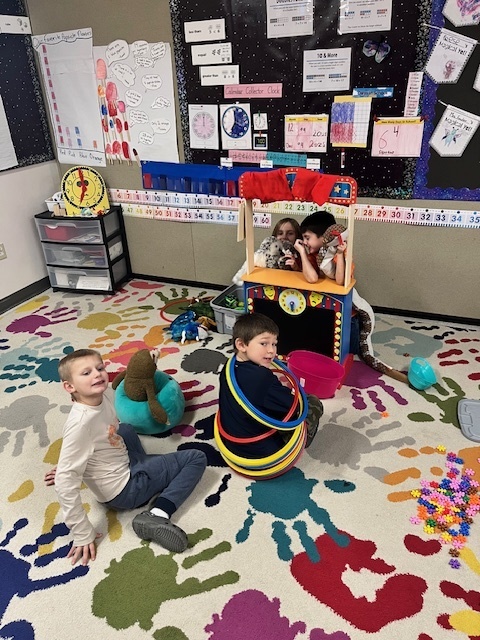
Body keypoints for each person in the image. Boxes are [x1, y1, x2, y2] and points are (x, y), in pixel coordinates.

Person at [44, 348, 207, 566]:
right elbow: (65, 482)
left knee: (126, 429)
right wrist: (82, 532)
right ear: (69, 386)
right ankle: (158, 513)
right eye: (86, 373)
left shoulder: (98, 398)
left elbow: (90, 442)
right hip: (126, 488)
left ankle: (88, 466)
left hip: (116, 462)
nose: (97, 374)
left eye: (100, 368)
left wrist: (74, 464)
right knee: (196, 458)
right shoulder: (80, 424)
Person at [218, 313, 323, 459]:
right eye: (264, 343)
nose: (271, 350)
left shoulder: (228, 367)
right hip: (264, 452)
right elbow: (293, 409)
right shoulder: (262, 378)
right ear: (241, 344)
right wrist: (292, 395)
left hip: (230, 444)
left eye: (274, 343)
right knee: (312, 402)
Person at [293, 210, 347, 285]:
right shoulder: (314, 256)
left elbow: (340, 281)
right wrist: (302, 253)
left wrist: (340, 253)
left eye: (307, 238)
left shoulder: (339, 251)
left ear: (324, 236)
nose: (304, 242)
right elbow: (312, 278)